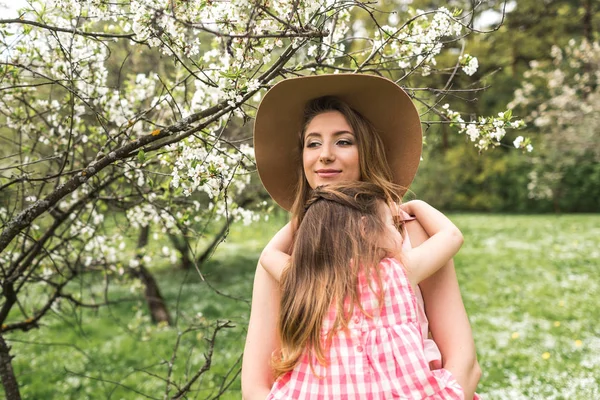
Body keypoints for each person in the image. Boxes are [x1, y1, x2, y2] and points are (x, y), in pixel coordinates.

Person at [242, 74, 481, 400]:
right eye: (313, 143)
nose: (324, 154)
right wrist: (303, 220)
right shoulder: (291, 255)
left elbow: (465, 364)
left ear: (367, 151)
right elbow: (255, 387)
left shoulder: (410, 234)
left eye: (343, 141)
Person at [261, 181, 465, 399]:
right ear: (365, 228)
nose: (398, 233)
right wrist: (416, 206)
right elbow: (452, 236)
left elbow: (268, 254)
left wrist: (310, 217)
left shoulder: (308, 281)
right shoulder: (395, 273)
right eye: (392, 224)